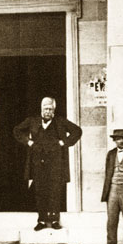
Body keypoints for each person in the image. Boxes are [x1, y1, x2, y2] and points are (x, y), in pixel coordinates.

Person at [13, 97, 82, 231]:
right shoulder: (32, 121)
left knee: (55, 190)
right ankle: (42, 220)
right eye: (45, 109)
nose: (48, 112)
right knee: (40, 191)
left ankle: (55, 219)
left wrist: (64, 142)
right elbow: (17, 130)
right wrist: (28, 141)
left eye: (50, 109)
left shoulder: (60, 122)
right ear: (41, 110)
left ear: (54, 111)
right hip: (38, 162)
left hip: (56, 163)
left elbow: (77, 131)